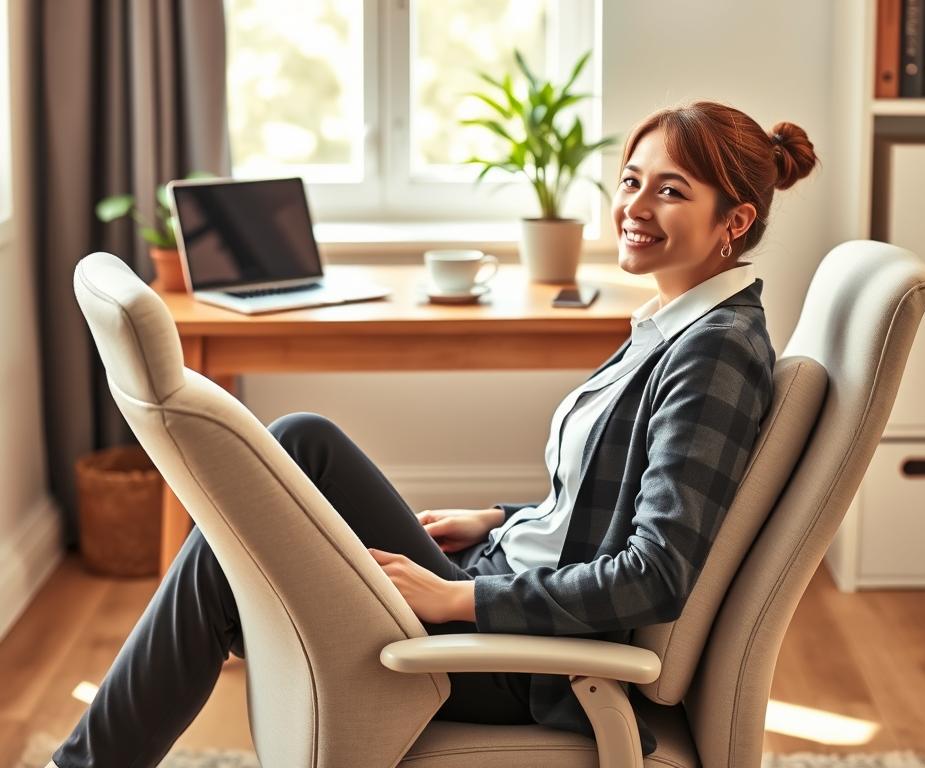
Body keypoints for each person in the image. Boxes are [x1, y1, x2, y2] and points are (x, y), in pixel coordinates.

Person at [49, 100, 818, 767]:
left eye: (670, 190)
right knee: (293, 456)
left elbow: (653, 574)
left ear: (735, 220)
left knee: (242, 532)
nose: (634, 205)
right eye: (630, 181)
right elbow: (598, 500)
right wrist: (501, 518)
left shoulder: (713, 351)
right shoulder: (674, 323)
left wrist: (459, 600)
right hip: (502, 580)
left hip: (528, 663)